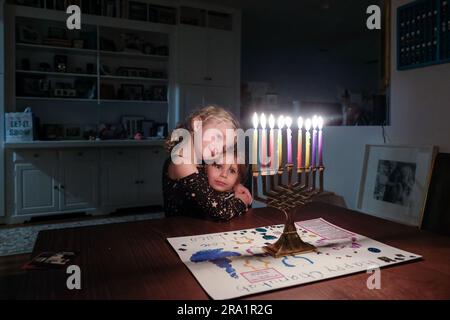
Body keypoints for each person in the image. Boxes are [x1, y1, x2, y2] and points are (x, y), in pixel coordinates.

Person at [162, 106, 252, 220]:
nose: (219, 148)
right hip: (182, 234)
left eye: (225, 145)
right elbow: (219, 211)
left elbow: (206, 186)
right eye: (218, 137)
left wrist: (234, 186)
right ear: (198, 124)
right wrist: (241, 201)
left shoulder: (197, 161)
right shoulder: (182, 163)